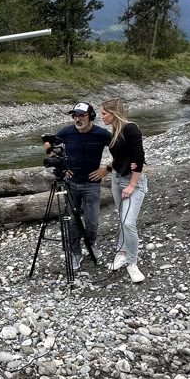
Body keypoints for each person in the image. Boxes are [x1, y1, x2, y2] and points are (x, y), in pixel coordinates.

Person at [55, 101, 112, 274]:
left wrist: (106, 169)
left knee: (92, 220)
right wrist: (62, 169)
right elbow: (52, 149)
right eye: (75, 115)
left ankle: (91, 243)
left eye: (81, 115)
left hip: (92, 184)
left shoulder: (101, 134)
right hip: (71, 184)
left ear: (91, 116)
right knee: (72, 220)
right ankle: (75, 252)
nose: (77, 119)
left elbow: (122, 151)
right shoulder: (66, 132)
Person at [98, 98, 147, 284]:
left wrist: (132, 185)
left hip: (132, 181)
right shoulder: (114, 131)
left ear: (114, 113)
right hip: (117, 179)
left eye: (104, 113)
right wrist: (108, 168)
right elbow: (120, 158)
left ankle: (132, 263)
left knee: (128, 222)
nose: (101, 117)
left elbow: (139, 158)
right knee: (122, 218)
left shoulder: (130, 128)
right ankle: (122, 252)